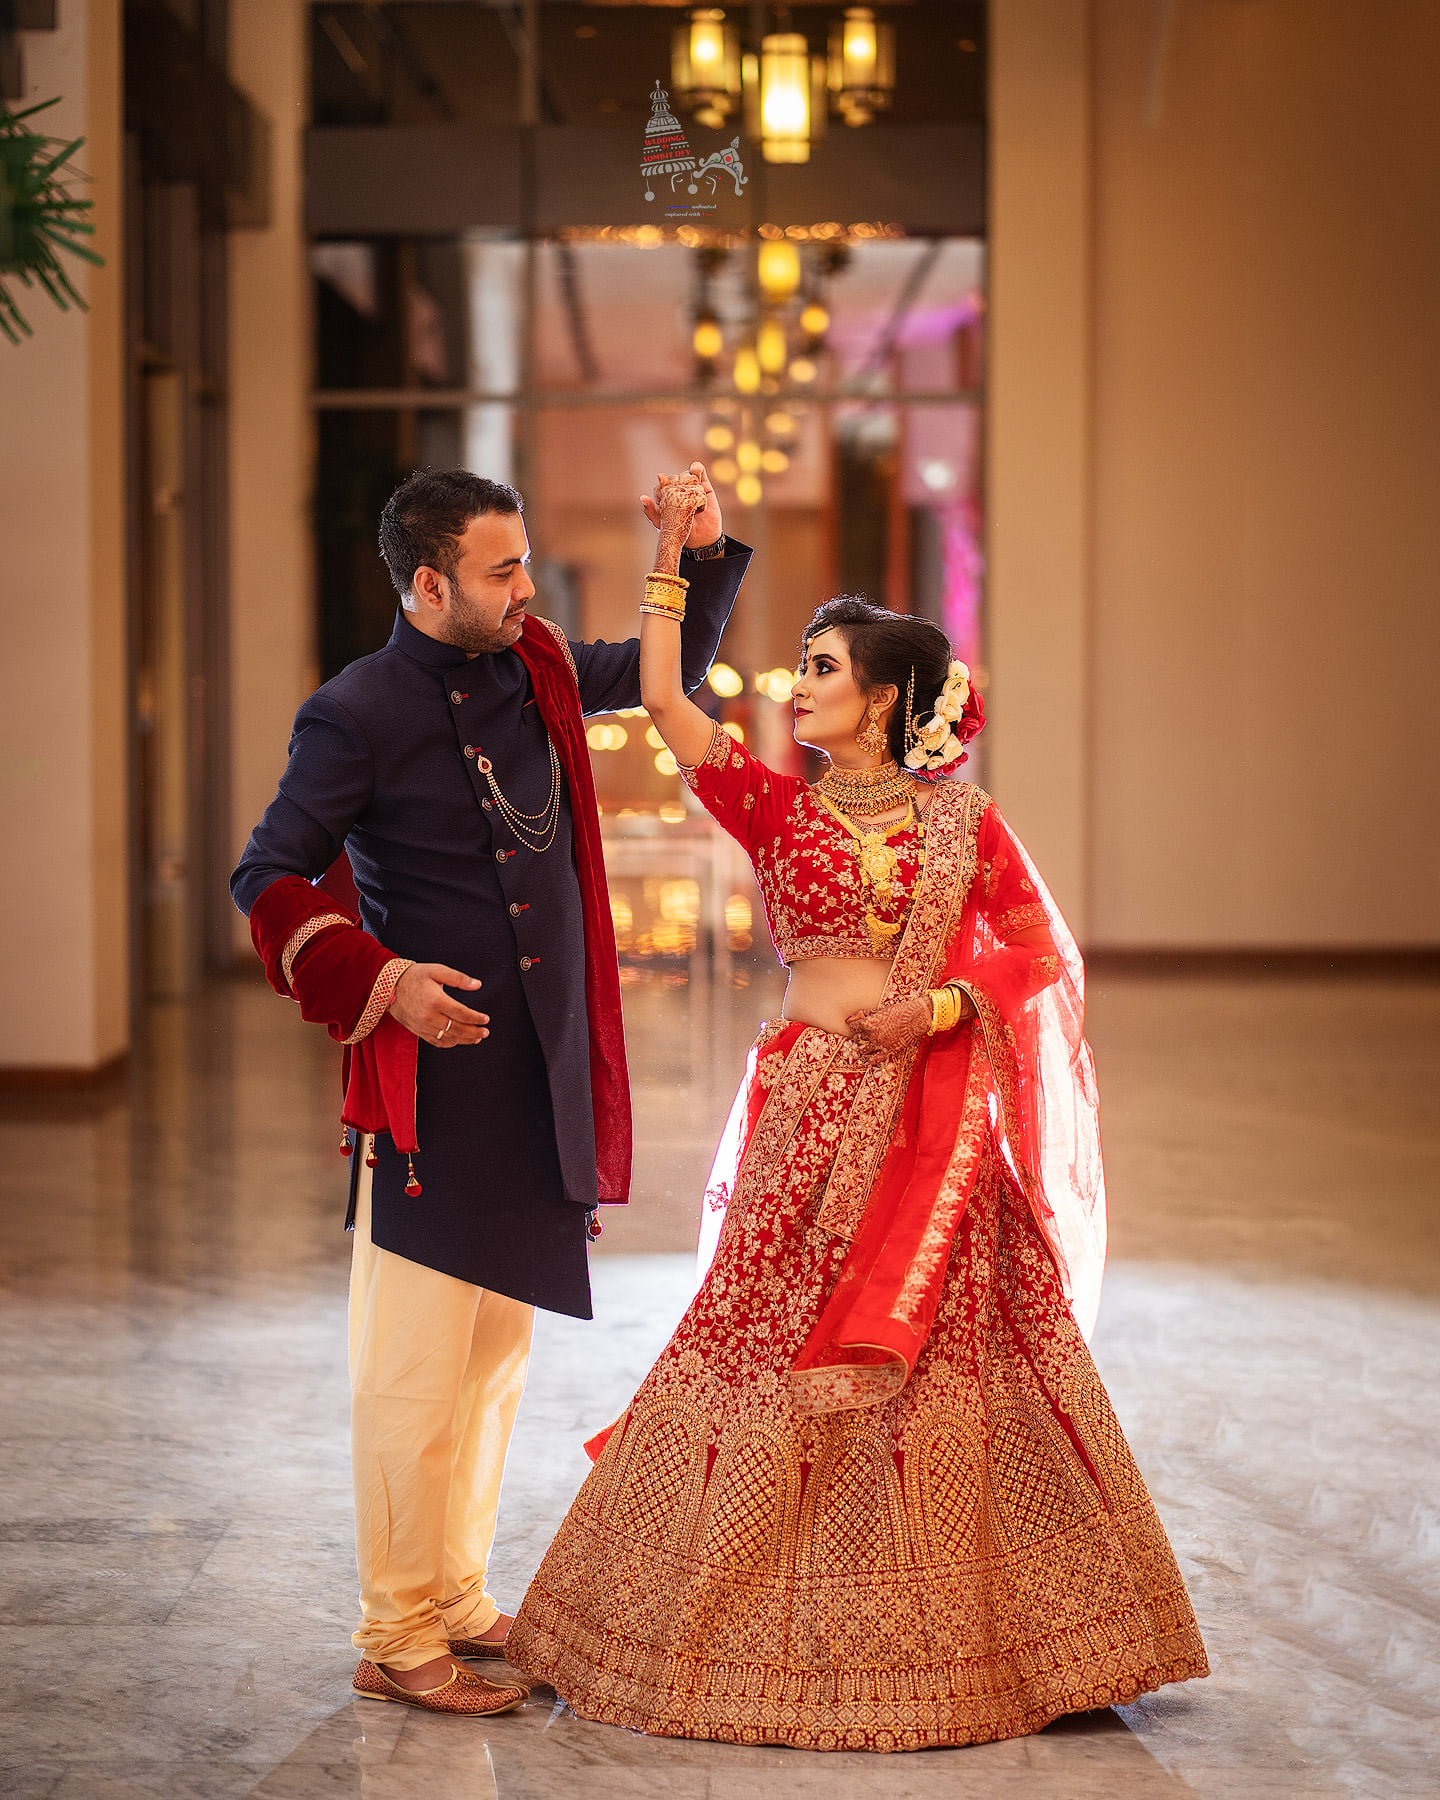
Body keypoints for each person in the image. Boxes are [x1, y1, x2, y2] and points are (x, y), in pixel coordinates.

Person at [508, 472, 1209, 1750]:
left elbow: (1036, 953)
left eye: (822, 668)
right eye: (800, 668)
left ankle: (1027, 1635)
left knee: (967, 1359)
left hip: (933, 1122)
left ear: (882, 699)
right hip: (811, 1108)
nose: (802, 685)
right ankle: (709, 1610)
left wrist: (940, 1011)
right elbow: (666, 700)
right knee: (762, 1332)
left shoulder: (965, 822)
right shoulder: (779, 806)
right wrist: (672, 559)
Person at [230, 465, 749, 1716]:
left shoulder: (540, 667)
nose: (529, 589)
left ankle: (456, 1596)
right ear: (426, 584)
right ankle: (395, 1629)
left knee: (492, 1361)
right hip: (434, 1090)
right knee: (411, 1372)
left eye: (524, 564)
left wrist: (707, 553)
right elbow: (268, 876)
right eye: (503, 570)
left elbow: (659, 671)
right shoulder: (352, 713)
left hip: (537, 1077)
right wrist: (386, 977)